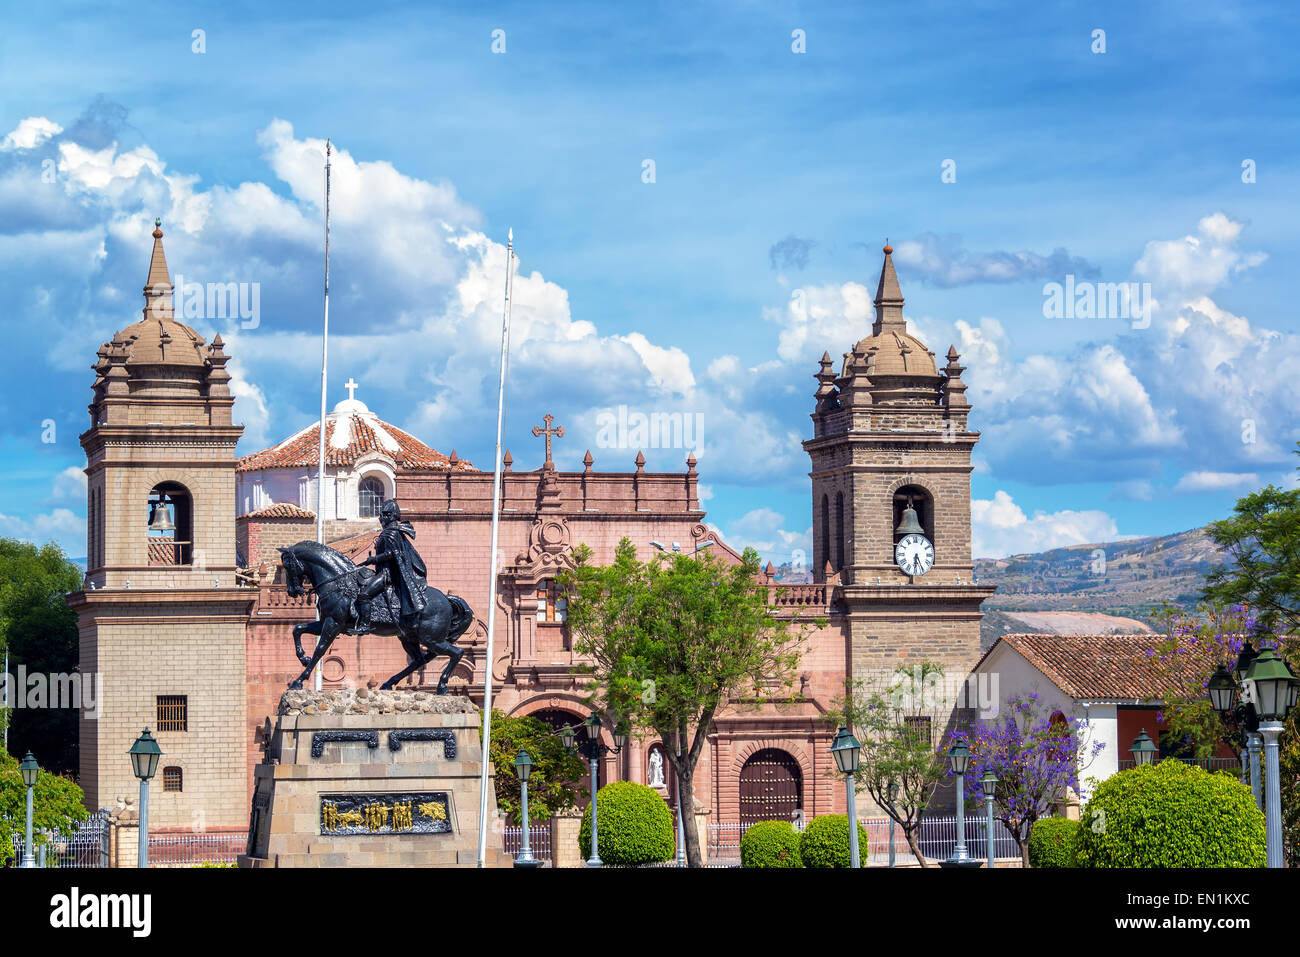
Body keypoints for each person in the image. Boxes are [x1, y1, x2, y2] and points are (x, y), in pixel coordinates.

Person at [352, 500, 427, 634]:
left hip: (387, 574)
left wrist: (374, 559)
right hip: (383, 571)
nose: (381, 518)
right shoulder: (391, 532)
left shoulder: (391, 533)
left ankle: (365, 625)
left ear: (390, 516)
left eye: (384, 515)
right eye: (382, 515)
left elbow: (392, 554)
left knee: (364, 595)